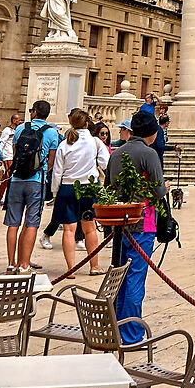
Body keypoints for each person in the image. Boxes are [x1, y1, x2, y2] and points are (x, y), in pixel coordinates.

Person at [109, 107, 170, 345]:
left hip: (118, 223)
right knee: (135, 278)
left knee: (120, 277)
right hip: (142, 223)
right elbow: (157, 190)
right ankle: (132, 333)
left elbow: (110, 186)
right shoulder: (149, 154)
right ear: (151, 133)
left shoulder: (117, 153)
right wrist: (164, 186)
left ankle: (117, 327)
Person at [1, 100, 58, 272]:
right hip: (36, 181)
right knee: (32, 223)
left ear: (34, 112)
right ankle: (24, 264)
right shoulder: (51, 133)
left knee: (13, 223)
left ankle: (11, 262)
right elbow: (51, 161)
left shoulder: (20, 129)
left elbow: (15, 151)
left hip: (17, 180)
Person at [51, 110, 106, 276]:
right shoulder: (95, 142)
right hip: (89, 187)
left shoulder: (65, 144)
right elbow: (105, 162)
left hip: (68, 188)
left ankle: (71, 269)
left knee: (69, 230)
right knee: (90, 229)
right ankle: (94, 266)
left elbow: (57, 172)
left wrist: (55, 192)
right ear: (87, 123)